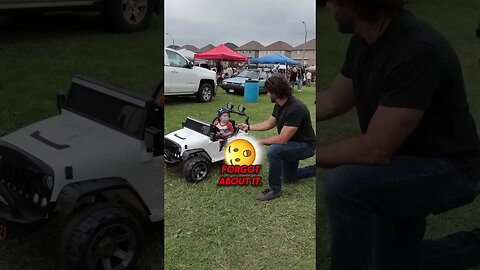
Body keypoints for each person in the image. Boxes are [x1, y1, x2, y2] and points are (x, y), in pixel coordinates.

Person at [316, 0, 480, 269]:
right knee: (393, 263)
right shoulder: (364, 41)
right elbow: (334, 100)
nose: (329, 6)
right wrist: (289, 112)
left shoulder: (416, 49)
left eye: (333, 1)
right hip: (402, 160)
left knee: (345, 186)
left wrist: (309, 153)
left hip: (450, 169)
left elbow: (375, 149)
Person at [238, 75, 316, 201]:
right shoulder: (280, 104)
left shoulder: (295, 108)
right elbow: (269, 124)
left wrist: (258, 142)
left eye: (269, 92)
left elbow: (282, 139)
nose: (267, 94)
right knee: (289, 177)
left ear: (276, 92)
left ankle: (275, 189)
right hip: (292, 144)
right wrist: (249, 127)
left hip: (305, 146)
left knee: (274, 151)